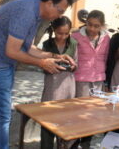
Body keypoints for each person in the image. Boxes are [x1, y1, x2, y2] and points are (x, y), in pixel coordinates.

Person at [0, 0, 76, 149]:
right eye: (60, 11)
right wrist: (42, 63)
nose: (60, 16)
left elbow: (28, 47)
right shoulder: (26, 14)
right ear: (49, 3)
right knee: (2, 117)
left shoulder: (34, 14)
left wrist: (55, 56)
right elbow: (12, 51)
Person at [71, 10, 110, 149]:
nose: (92, 29)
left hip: (98, 80)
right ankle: (73, 142)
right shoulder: (76, 37)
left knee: (92, 113)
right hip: (81, 79)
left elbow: (105, 58)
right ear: (86, 23)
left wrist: (104, 80)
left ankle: (86, 142)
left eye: (96, 26)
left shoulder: (106, 38)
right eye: (90, 25)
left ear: (102, 26)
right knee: (79, 112)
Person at [40, 16, 77, 149]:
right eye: (59, 33)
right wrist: (50, 66)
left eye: (66, 33)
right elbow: (42, 65)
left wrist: (73, 66)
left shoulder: (73, 43)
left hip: (68, 86)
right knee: (48, 119)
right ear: (54, 30)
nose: (62, 36)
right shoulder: (47, 45)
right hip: (52, 86)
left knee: (66, 121)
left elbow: (76, 63)